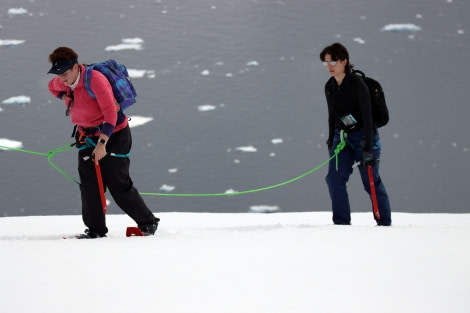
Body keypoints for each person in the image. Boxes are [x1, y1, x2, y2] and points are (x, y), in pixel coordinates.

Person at [47, 47, 160, 238]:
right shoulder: (62, 81)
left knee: (117, 182)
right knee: (89, 185)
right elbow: (52, 87)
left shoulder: (95, 80)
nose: (61, 79)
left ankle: (148, 222)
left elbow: (111, 115)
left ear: (75, 67)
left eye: (64, 74)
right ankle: (95, 230)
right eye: (58, 74)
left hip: (114, 135)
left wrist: (102, 145)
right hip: (85, 137)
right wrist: (65, 97)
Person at [319, 42, 392, 226]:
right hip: (341, 138)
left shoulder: (357, 84)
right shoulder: (329, 86)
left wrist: (368, 146)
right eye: (326, 63)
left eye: (333, 62)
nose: (329, 66)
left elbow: (367, 116)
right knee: (334, 179)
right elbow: (332, 116)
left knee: (371, 182)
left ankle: (383, 223)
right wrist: (330, 141)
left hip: (364, 137)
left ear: (344, 61)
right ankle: (341, 224)